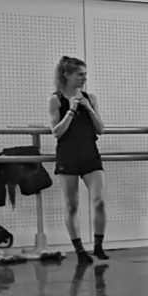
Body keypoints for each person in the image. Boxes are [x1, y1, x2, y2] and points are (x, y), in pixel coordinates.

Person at [48, 56, 108, 264]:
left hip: (90, 152)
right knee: (71, 205)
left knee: (99, 201)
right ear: (67, 75)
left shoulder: (90, 97)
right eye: (80, 74)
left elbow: (100, 128)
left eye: (85, 74)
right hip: (68, 154)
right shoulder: (56, 99)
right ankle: (79, 249)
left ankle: (99, 245)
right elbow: (57, 131)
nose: (84, 78)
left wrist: (88, 107)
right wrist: (72, 109)